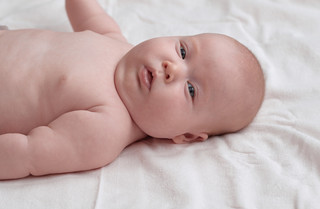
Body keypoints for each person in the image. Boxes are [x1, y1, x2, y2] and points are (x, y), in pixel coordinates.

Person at [0, 0, 265, 180]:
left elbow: (28, 154)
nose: (172, 68)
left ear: (186, 135)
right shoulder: (116, 43)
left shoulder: (106, 127)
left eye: (191, 90)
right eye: (183, 51)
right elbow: (89, 13)